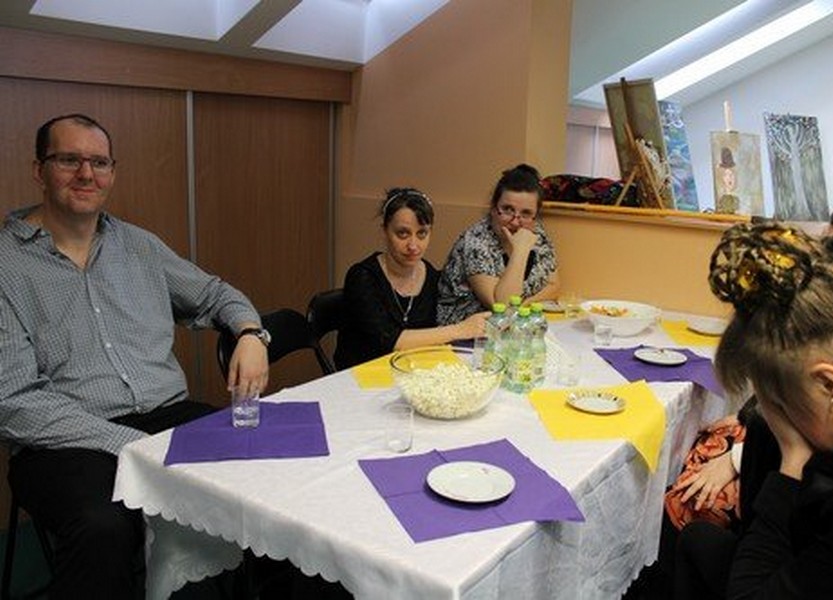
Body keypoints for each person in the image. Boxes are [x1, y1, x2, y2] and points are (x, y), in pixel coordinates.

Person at [0, 114, 269, 598]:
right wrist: (129, 443)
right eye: (69, 160)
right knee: (104, 525)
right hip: (63, 441)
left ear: (112, 172)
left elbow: (216, 294)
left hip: (166, 417)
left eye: (99, 162)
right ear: (39, 170)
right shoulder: (6, 265)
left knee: (272, 471)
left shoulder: (139, 245)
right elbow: (14, 401)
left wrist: (251, 333)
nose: (87, 174)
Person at [678, 222, 833, 599]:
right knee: (699, 541)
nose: (773, 418)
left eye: (779, 407)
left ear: (830, 387)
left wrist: (792, 464)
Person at [334, 187, 487, 369]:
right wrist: (461, 329)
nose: (413, 246)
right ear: (384, 231)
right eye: (403, 234)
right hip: (360, 376)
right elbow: (391, 341)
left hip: (412, 371)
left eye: (422, 233)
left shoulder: (431, 275)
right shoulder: (362, 277)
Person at [437, 164, 560, 325]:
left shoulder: (537, 232)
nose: (515, 221)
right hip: (465, 333)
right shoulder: (475, 242)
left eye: (526, 213)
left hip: (514, 328)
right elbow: (503, 307)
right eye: (508, 209)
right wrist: (520, 251)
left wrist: (523, 307)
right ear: (493, 208)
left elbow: (554, 286)